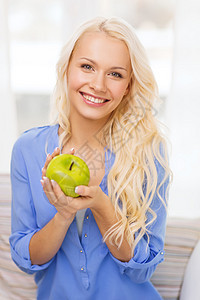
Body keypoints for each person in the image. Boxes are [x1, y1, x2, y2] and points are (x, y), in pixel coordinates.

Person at [9, 16, 171, 300]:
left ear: (128, 86)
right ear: (67, 69)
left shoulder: (148, 151)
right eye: (87, 67)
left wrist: (102, 206)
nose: (98, 85)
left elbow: (142, 270)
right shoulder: (28, 150)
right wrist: (63, 214)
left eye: (115, 74)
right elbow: (27, 260)